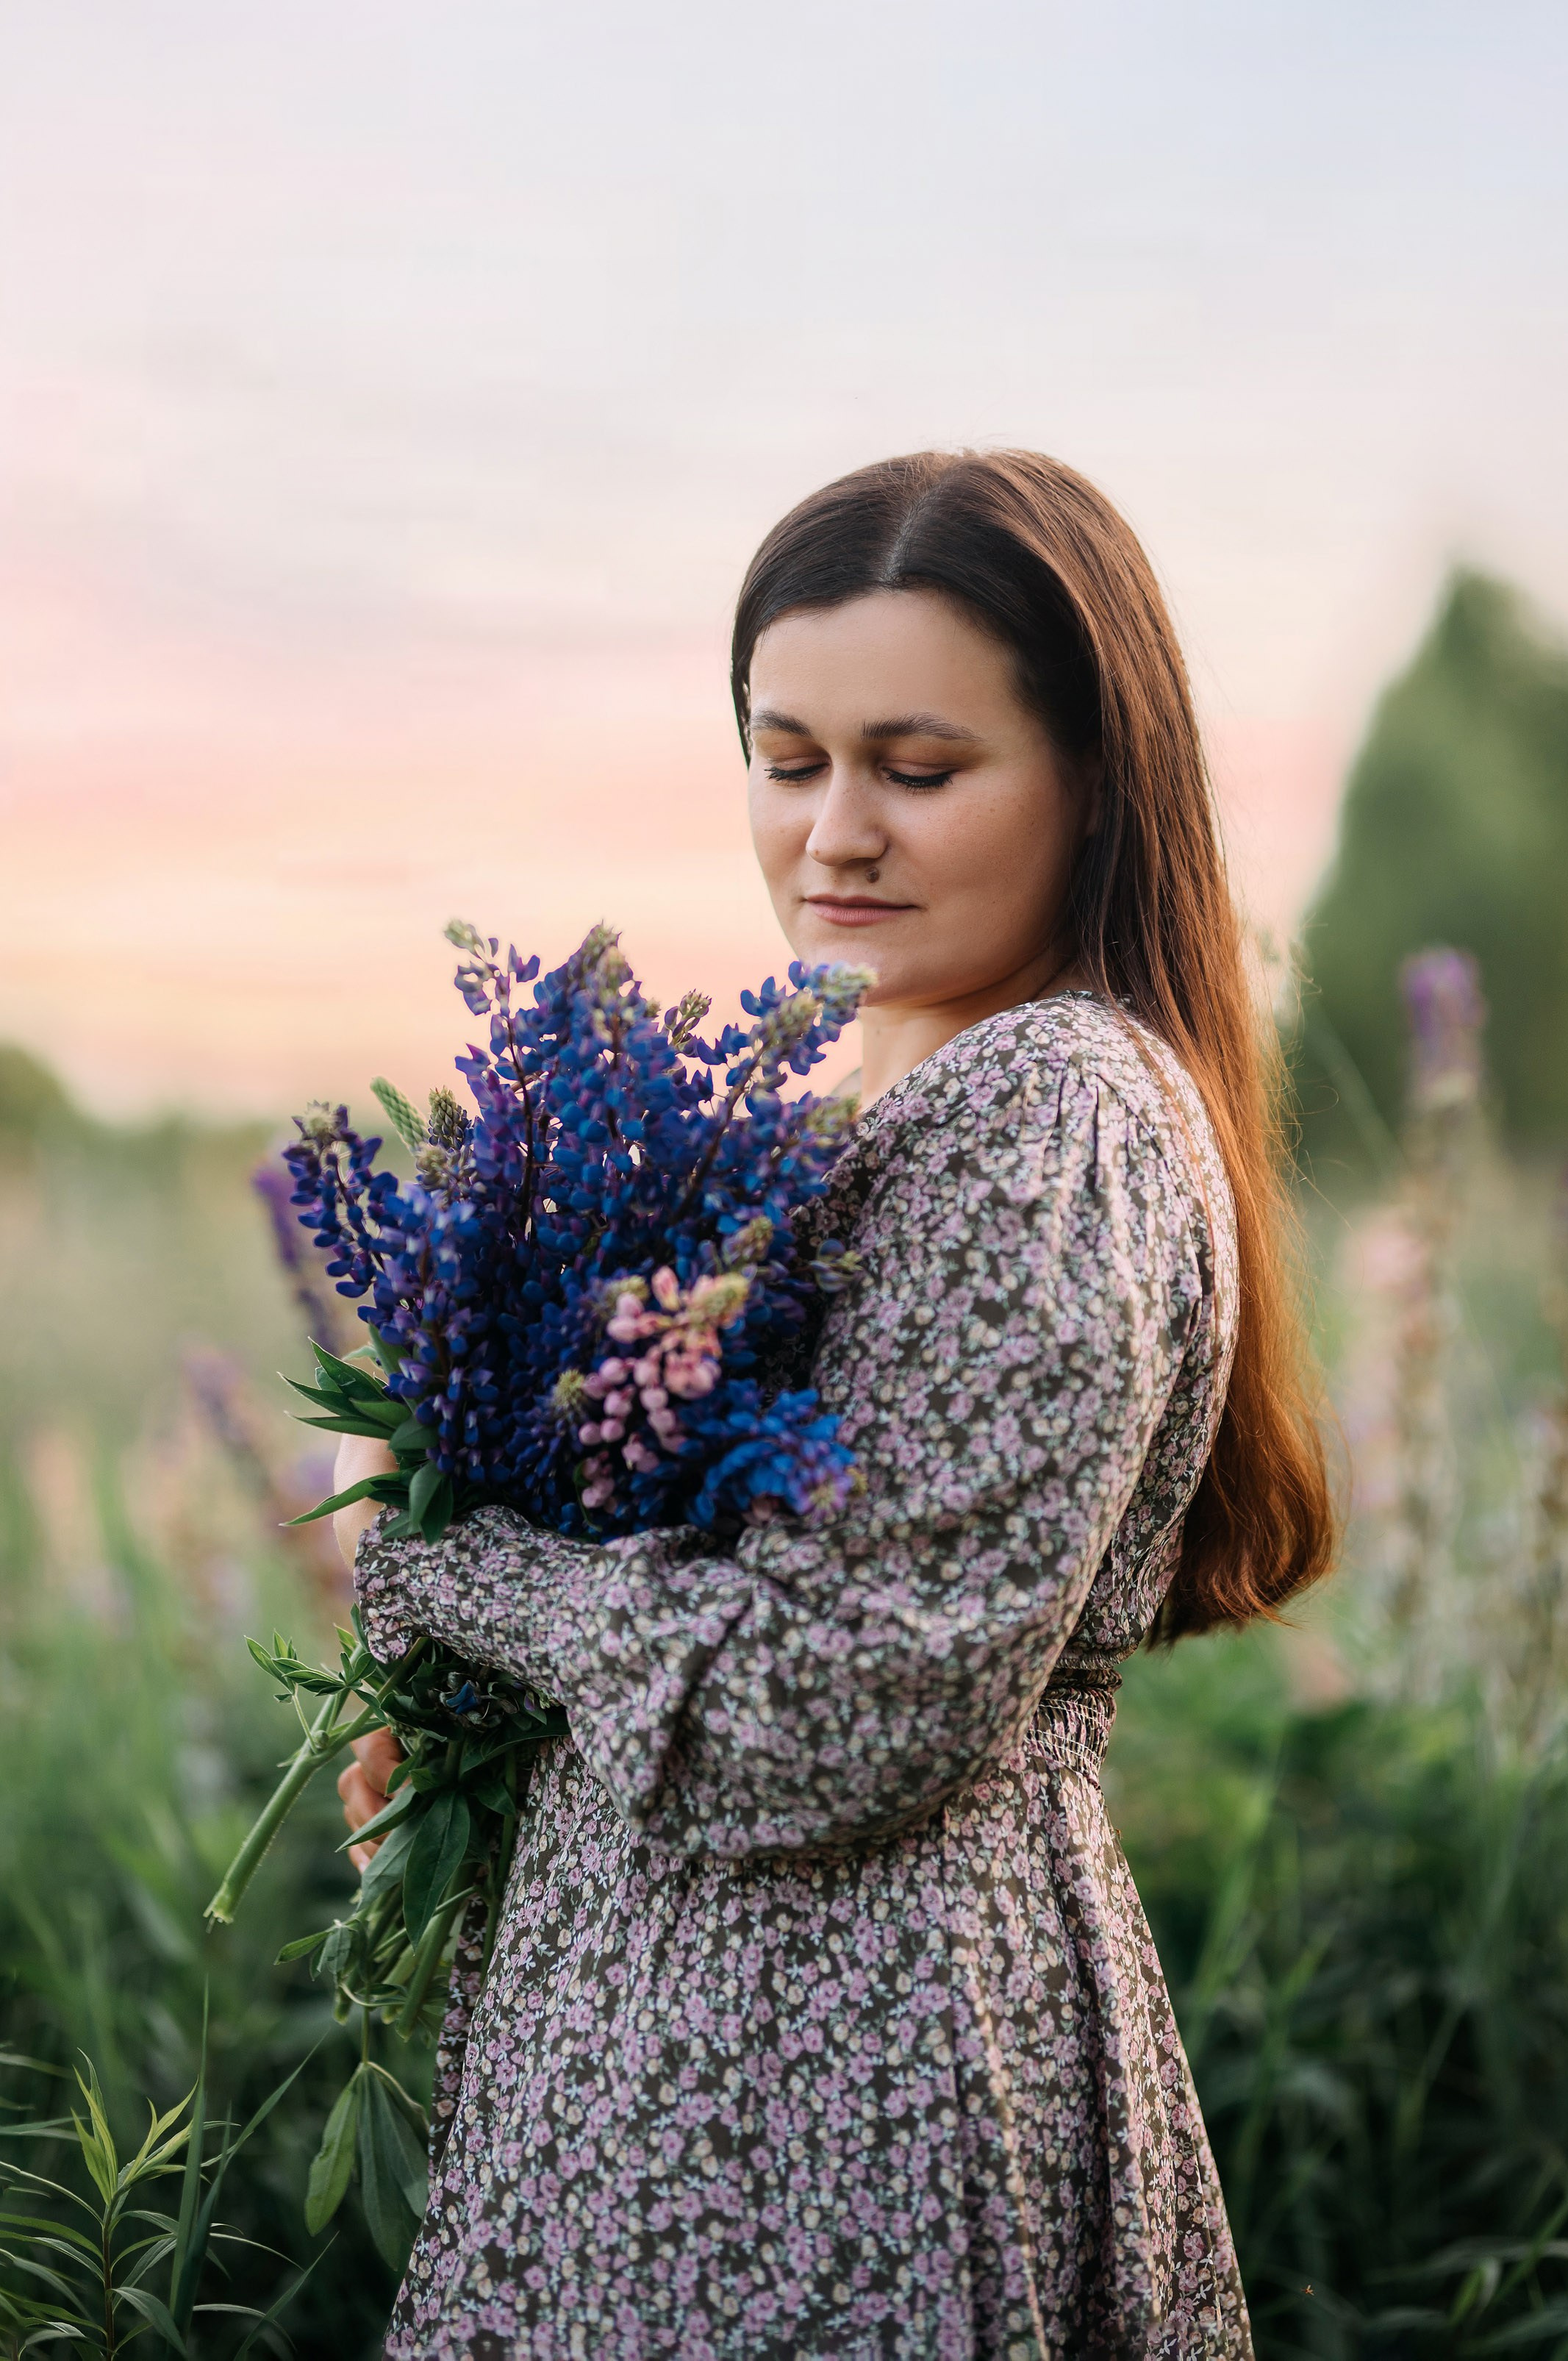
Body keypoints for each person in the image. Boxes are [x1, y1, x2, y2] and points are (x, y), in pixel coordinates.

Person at [333, 449, 1335, 2360]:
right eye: (788, 761)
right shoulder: (865, 1103)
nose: (835, 834)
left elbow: (845, 1699)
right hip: (731, 2076)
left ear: (1100, 778)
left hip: (840, 2093)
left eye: (919, 766)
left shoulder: (1048, 1110)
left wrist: (458, 1587)